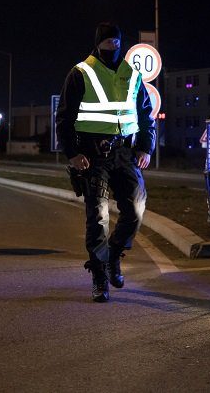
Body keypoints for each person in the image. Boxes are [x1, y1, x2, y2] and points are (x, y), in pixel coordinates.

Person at [56, 22, 155, 302]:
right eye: (108, 41)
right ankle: (99, 275)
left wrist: (146, 147)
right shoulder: (81, 72)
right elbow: (64, 118)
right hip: (92, 156)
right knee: (98, 217)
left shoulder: (131, 75)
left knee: (135, 210)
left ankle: (112, 255)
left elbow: (145, 115)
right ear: (98, 43)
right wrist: (73, 154)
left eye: (117, 41)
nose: (113, 46)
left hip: (126, 153)